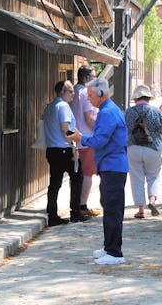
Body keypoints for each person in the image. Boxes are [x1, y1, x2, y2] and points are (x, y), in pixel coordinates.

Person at [67, 78, 128, 265]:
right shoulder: (107, 111)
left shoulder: (108, 113)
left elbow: (100, 140)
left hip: (113, 166)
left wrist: (80, 137)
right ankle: (109, 247)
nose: (89, 100)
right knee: (109, 207)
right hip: (110, 166)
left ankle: (115, 252)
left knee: (113, 210)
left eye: (91, 96)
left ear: (101, 94)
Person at [43, 80, 89, 226]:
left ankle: (52, 215)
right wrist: (74, 147)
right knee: (77, 179)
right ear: (62, 92)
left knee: (55, 183)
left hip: (52, 149)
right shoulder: (63, 106)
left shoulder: (50, 106)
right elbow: (65, 129)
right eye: (71, 91)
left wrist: (82, 137)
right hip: (64, 149)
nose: (73, 94)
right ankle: (75, 213)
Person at [124, 84, 162, 219]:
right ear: (148, 98)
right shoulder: (156, 111)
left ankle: (141, 209)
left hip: (133, 147)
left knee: (137, 178)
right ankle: (152, 200)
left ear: (136, 99)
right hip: (153, 147)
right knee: (153, 176)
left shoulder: (129, 112)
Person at [70, 65, 101, 218]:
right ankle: (82, 206)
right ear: (86, 78)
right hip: (86, 138)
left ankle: (77, 205)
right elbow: (89, 118)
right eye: (94, 76)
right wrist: (101, 130)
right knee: (88, 174)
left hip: (75, 138)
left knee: (78, 176)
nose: (96, 79)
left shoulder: (74, 91)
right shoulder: (85, 93)